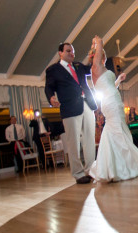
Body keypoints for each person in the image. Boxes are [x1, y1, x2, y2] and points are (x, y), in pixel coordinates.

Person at [89, 35, 138, 182]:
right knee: (118, 130)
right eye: (100, 55)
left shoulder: (102, 69)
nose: (102, 58)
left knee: (116, 130)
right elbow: (98, 50)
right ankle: (120, 168)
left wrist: (118, 81)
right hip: (110, 102)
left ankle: (114, 167)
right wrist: (98, 42)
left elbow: (108, 86)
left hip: (113, 100)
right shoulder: (95, 67)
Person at [45, 42, 97, 184]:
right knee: (73, 142)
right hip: (69, 108)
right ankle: (78, 174)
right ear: (60, 53)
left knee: (89, 139)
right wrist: (51, 98)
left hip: (87, 103)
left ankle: (91, 170)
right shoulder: (53, 70)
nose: (71, 54)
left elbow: (91, 67)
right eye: (68, 51)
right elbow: (48, 87)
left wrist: (93, 53)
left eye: (73, 51)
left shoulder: (79, 66)